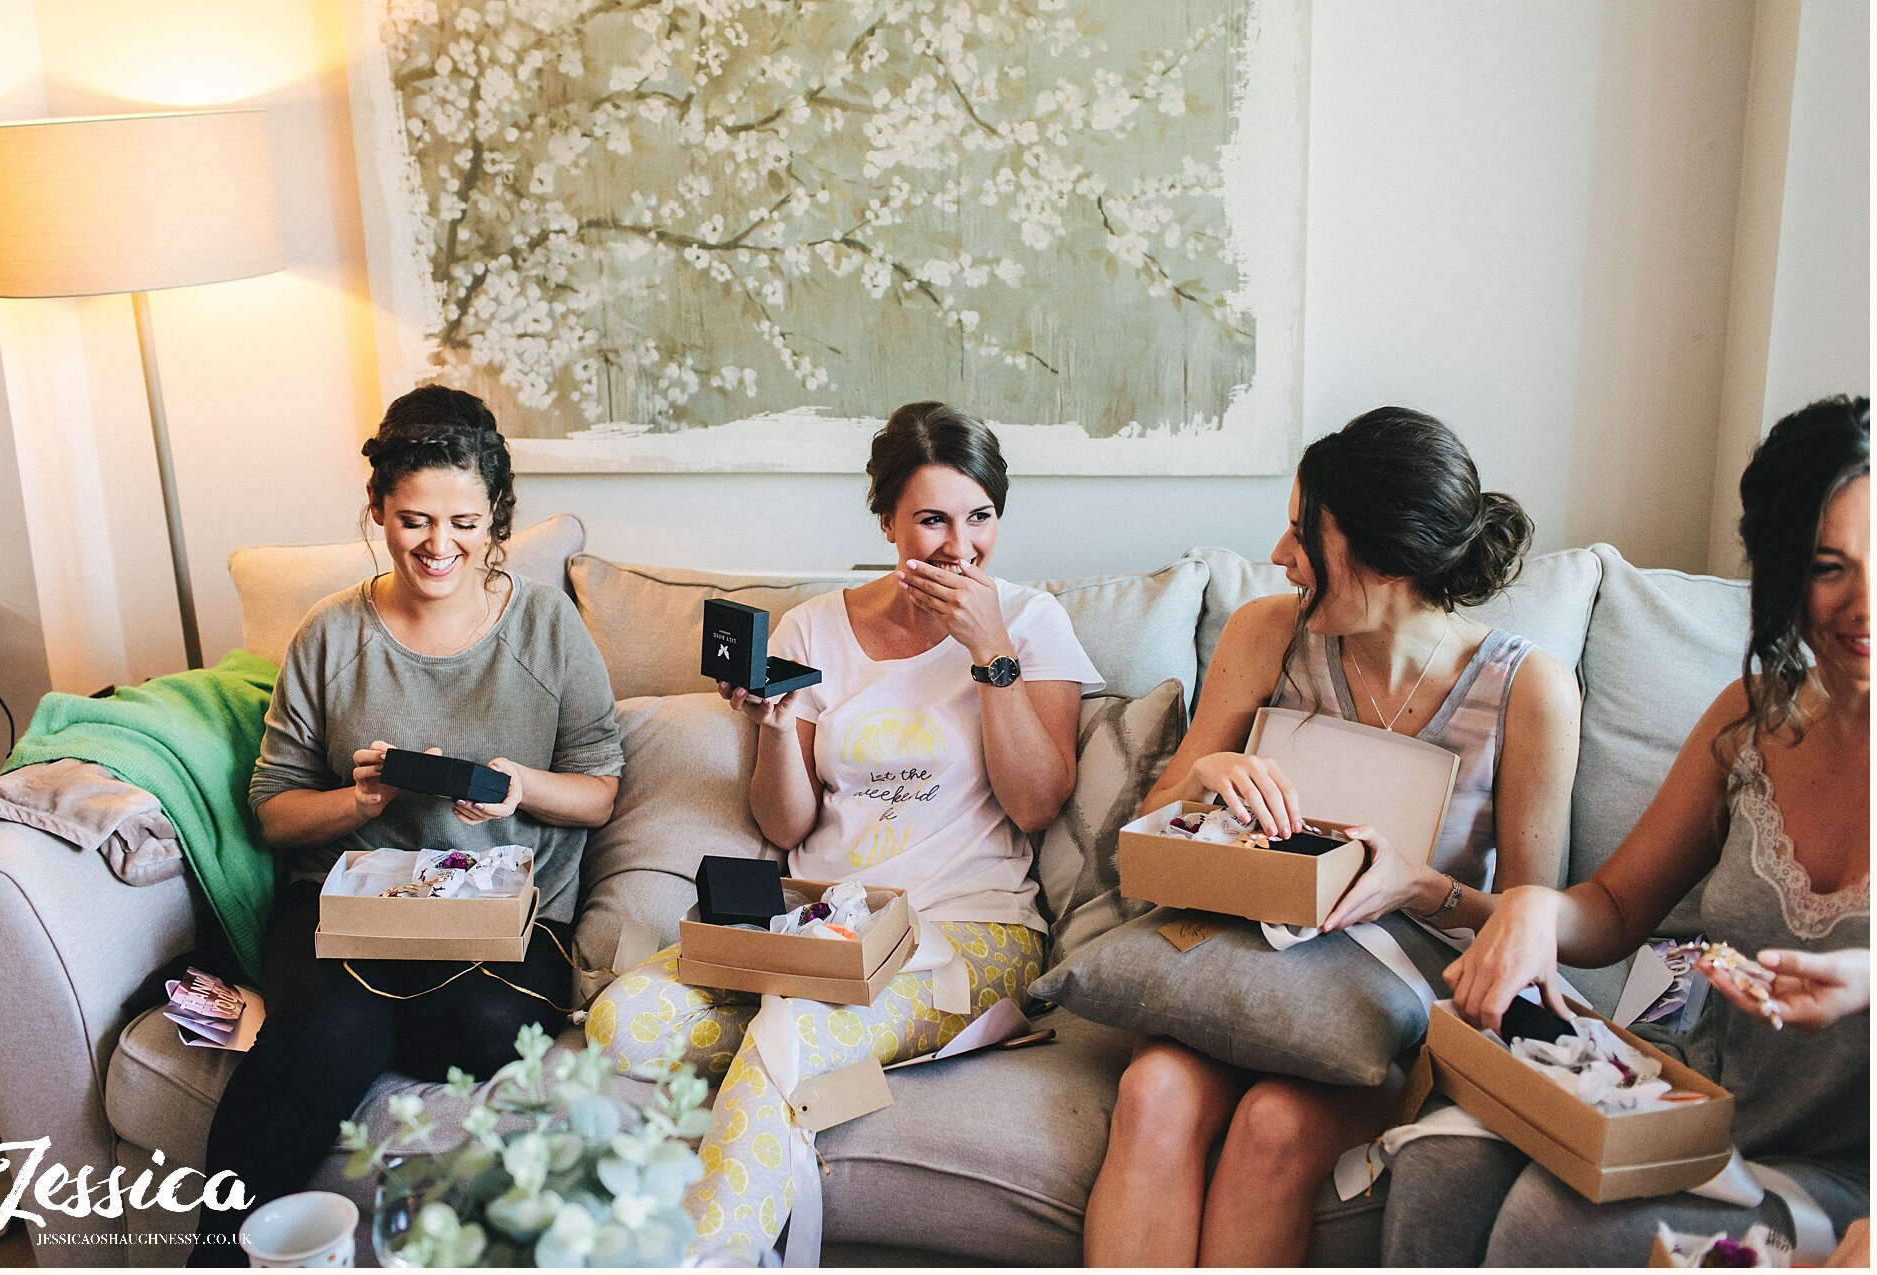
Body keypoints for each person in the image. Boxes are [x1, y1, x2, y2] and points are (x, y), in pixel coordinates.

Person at [586, 400, 1103, 1263]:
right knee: (622, 1022)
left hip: (974, 932)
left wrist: (990, 653)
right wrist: (773, 723)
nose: (959, 546)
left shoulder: (1030, 620)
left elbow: (1038, 802)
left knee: (787, 1037)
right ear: (887, 519)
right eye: (932, 519)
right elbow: (784, 822)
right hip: (820, 930)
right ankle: (830, 1066)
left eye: (980, 517)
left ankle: (700, 1254)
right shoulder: (814, 628)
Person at [1083, 406, 1582, 1267]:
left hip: (1395, 986)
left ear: (1387, 553)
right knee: (1153, 1090)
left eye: (1303, 533)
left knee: (1274, 1124)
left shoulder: (1528, 688)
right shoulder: (1266, 632)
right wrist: (1205, 780)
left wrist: (1417, 885)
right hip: (1241, 951)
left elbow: (1533, 930)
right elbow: (1141, 838)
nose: (1279, 556)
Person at [1382, 395, 1869, 1266]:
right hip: (1694, 1099)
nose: (1864, 601)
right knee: (1441, 1158)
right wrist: (1533, 909)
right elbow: (1612, 906)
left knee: (1550, 1222)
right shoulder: (1750, 722)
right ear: (1781, 570)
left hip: (1840, 1169)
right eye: (1830, 566)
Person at [191, 386, 624, 1262]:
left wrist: (519, 789)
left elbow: (600, 791)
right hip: (350, 908)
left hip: (501, 919)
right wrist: (359, 802)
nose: (439, 545)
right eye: (414, 519)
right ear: (378, 511)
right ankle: (217, 1254)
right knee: (331, 1030)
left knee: (487, 1026)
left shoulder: (548, 626)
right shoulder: (330, 634)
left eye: (464, 521)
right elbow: (275, 811)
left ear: (497, 516)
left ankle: (360, 1030)